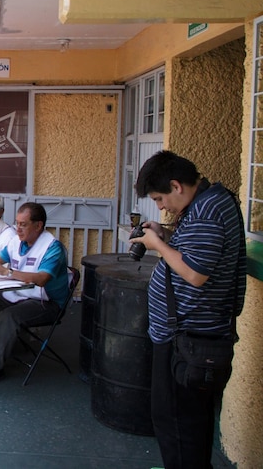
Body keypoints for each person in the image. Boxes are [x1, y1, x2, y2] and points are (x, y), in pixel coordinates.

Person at [130, 150, 245, 469]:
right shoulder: (208, 202)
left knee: (177, 424)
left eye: (159, 198)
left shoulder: (207, 210)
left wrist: (159, 246)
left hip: (188, 339)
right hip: (190, 335)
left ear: (176, 186)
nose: (161, 206)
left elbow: (196, 274)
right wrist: (167, 234)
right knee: (191, 422)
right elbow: (200, 253)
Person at [0, 202, 69, 386]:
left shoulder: (53, 247)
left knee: (9, 315)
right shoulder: (17, 241)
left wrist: (7, 272)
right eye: (16, 223)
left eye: (23, 224)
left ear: (38, 225)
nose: (18, 229)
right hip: (18, 296)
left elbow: (42, 279)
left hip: (46, 302)